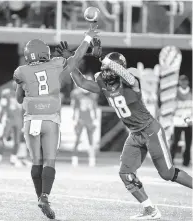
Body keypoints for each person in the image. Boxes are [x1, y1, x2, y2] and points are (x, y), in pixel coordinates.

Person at [59, 40, 192, 220]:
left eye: (108, 69)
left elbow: (125, 75)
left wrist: (102, 58)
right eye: (104, 69)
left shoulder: (132, 82)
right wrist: (70, 62)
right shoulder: (103, 84)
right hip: (135, 134)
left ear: (117, 69)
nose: (104, 73)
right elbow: (82, 82)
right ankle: (150, 210)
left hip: (150, 131)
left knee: (167, 174)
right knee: (126, 174)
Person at [13, 25, 98, 220]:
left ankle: (39, 197)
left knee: (36, 161)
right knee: (49, 161)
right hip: (50, 119)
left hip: (31, 119)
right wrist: (87, 38)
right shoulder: (56, 64)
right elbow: (76, 58)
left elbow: (19, 99)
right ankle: (45, 197)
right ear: (45, 53)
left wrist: (25, 88)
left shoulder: (21, 71)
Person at [71, 85, 98, 167]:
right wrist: (74, 120)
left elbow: (94, 108)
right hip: (80, 119)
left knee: (91, 140)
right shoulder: (77, 96)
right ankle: (74, 158)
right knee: (77, 139)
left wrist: (95, 120)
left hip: (89, 120)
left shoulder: (92, 96)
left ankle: (92, 159)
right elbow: (75, 108)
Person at [0, 82, 23, 167]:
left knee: (17, 141)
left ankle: (13, 159)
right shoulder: (6, 93)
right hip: (9, 119)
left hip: (18, 120)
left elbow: (25, 110)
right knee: (3, 139)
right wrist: (0, 120)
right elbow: (2, 107)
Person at [171, 75, 192, 167]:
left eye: (185, 81)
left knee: (188, 143)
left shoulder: (191, 92)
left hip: (188, 121)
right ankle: (170, 160)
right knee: (175, 142)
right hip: (178, 120)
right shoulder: (174, 92)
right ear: (179, 82)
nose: (183, 83)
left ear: (188, 82)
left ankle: (186, 162)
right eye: (181, 81)